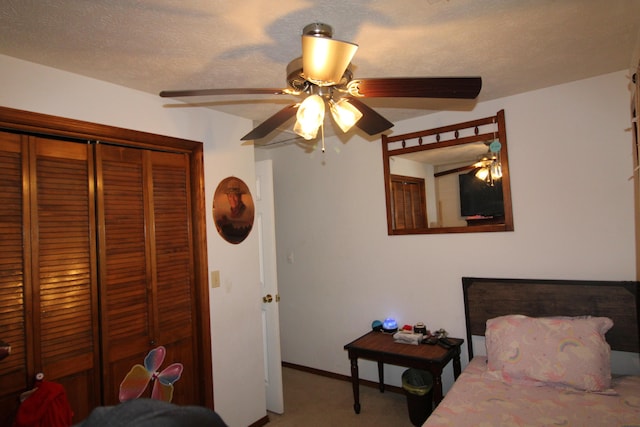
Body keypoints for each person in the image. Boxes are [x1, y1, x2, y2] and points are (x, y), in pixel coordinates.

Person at [214, 178, 254, 243]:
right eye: (230, 196)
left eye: (235, 196)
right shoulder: (228, 214)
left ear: (240, 197)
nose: (232, 199)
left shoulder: (246, 212)